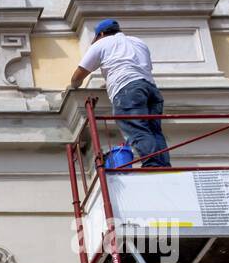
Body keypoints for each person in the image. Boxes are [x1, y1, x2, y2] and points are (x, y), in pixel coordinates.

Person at [71, 19, 171, 168]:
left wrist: (73, 86)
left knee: (137, 128)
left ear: (102, 34)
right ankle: (163, 165)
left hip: (128, 90)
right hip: (150, 89)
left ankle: (153, 166)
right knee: (154, 130)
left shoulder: (102, 43)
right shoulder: (138, 42)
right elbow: (139, 68)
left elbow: (79, 75)